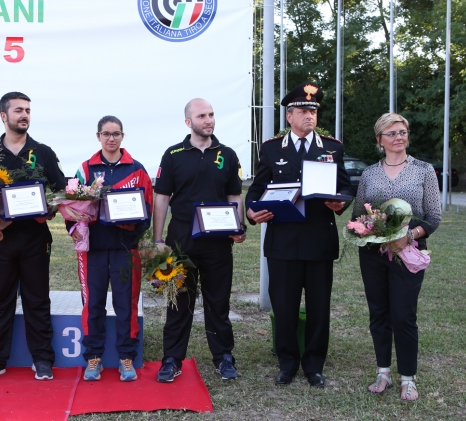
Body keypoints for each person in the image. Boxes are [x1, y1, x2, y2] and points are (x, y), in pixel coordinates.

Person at [245, 82, 353, 387]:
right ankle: (287, 362)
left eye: (313, 111)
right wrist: (252, 213)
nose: (310, 116)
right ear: (290, 116)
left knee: (319, 307)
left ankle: (314, 364)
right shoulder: (271, 148)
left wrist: (341, 202)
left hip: (319, 239)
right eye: (304, 111)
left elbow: (345, 187)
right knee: (285, 305)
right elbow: (256, 191)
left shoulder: (332, 148)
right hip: (283, 241)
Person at [153, 98, 246, 383]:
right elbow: (162, 198)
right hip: (181, 240)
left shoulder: (227, 154)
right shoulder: (173, 154)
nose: (208, 120)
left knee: (218, 302)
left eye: (211, 115)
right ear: (188, 122)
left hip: (218, 242)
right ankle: (172, 359)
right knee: (178, 302)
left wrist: (239, 226)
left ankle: (224, 357)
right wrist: (158, 239)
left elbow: (234, 196)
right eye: (202, 116)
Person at [0, 91, 66, 382]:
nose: (24, 115)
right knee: (0, 299)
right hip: (0, 240)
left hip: (34, 238)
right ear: (4, 116)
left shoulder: (43, 152)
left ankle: (42, 358)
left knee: (37, 299)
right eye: (18, 110)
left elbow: (61, 192)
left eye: (27, 110)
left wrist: (49, 210)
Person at [353, 113, 441, 401]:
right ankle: (383, 374)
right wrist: (366, 228)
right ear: (380, 139)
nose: (398, 137)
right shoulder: (368, 174)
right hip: (373, 254)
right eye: (391, 133)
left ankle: (408, 379)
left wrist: (410, 236)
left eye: (402, 131)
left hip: (408, 252)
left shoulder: (423, 170)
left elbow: (434, 217)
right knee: (379, 314)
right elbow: (358, 216)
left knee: (404, 315)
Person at [67, 116, 153, 382]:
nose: (111, 138)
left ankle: (126, 356)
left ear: (122, 136)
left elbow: (146, 211)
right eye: (106, 134)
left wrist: (132, 228)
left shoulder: (137, 170)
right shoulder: (85, 169)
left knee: (125, 303)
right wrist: (81, 224)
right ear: (98, 136)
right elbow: (70, 211)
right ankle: (94, 357)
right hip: (92, 250)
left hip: (126, 249)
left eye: (116, 134)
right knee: (92, 304)